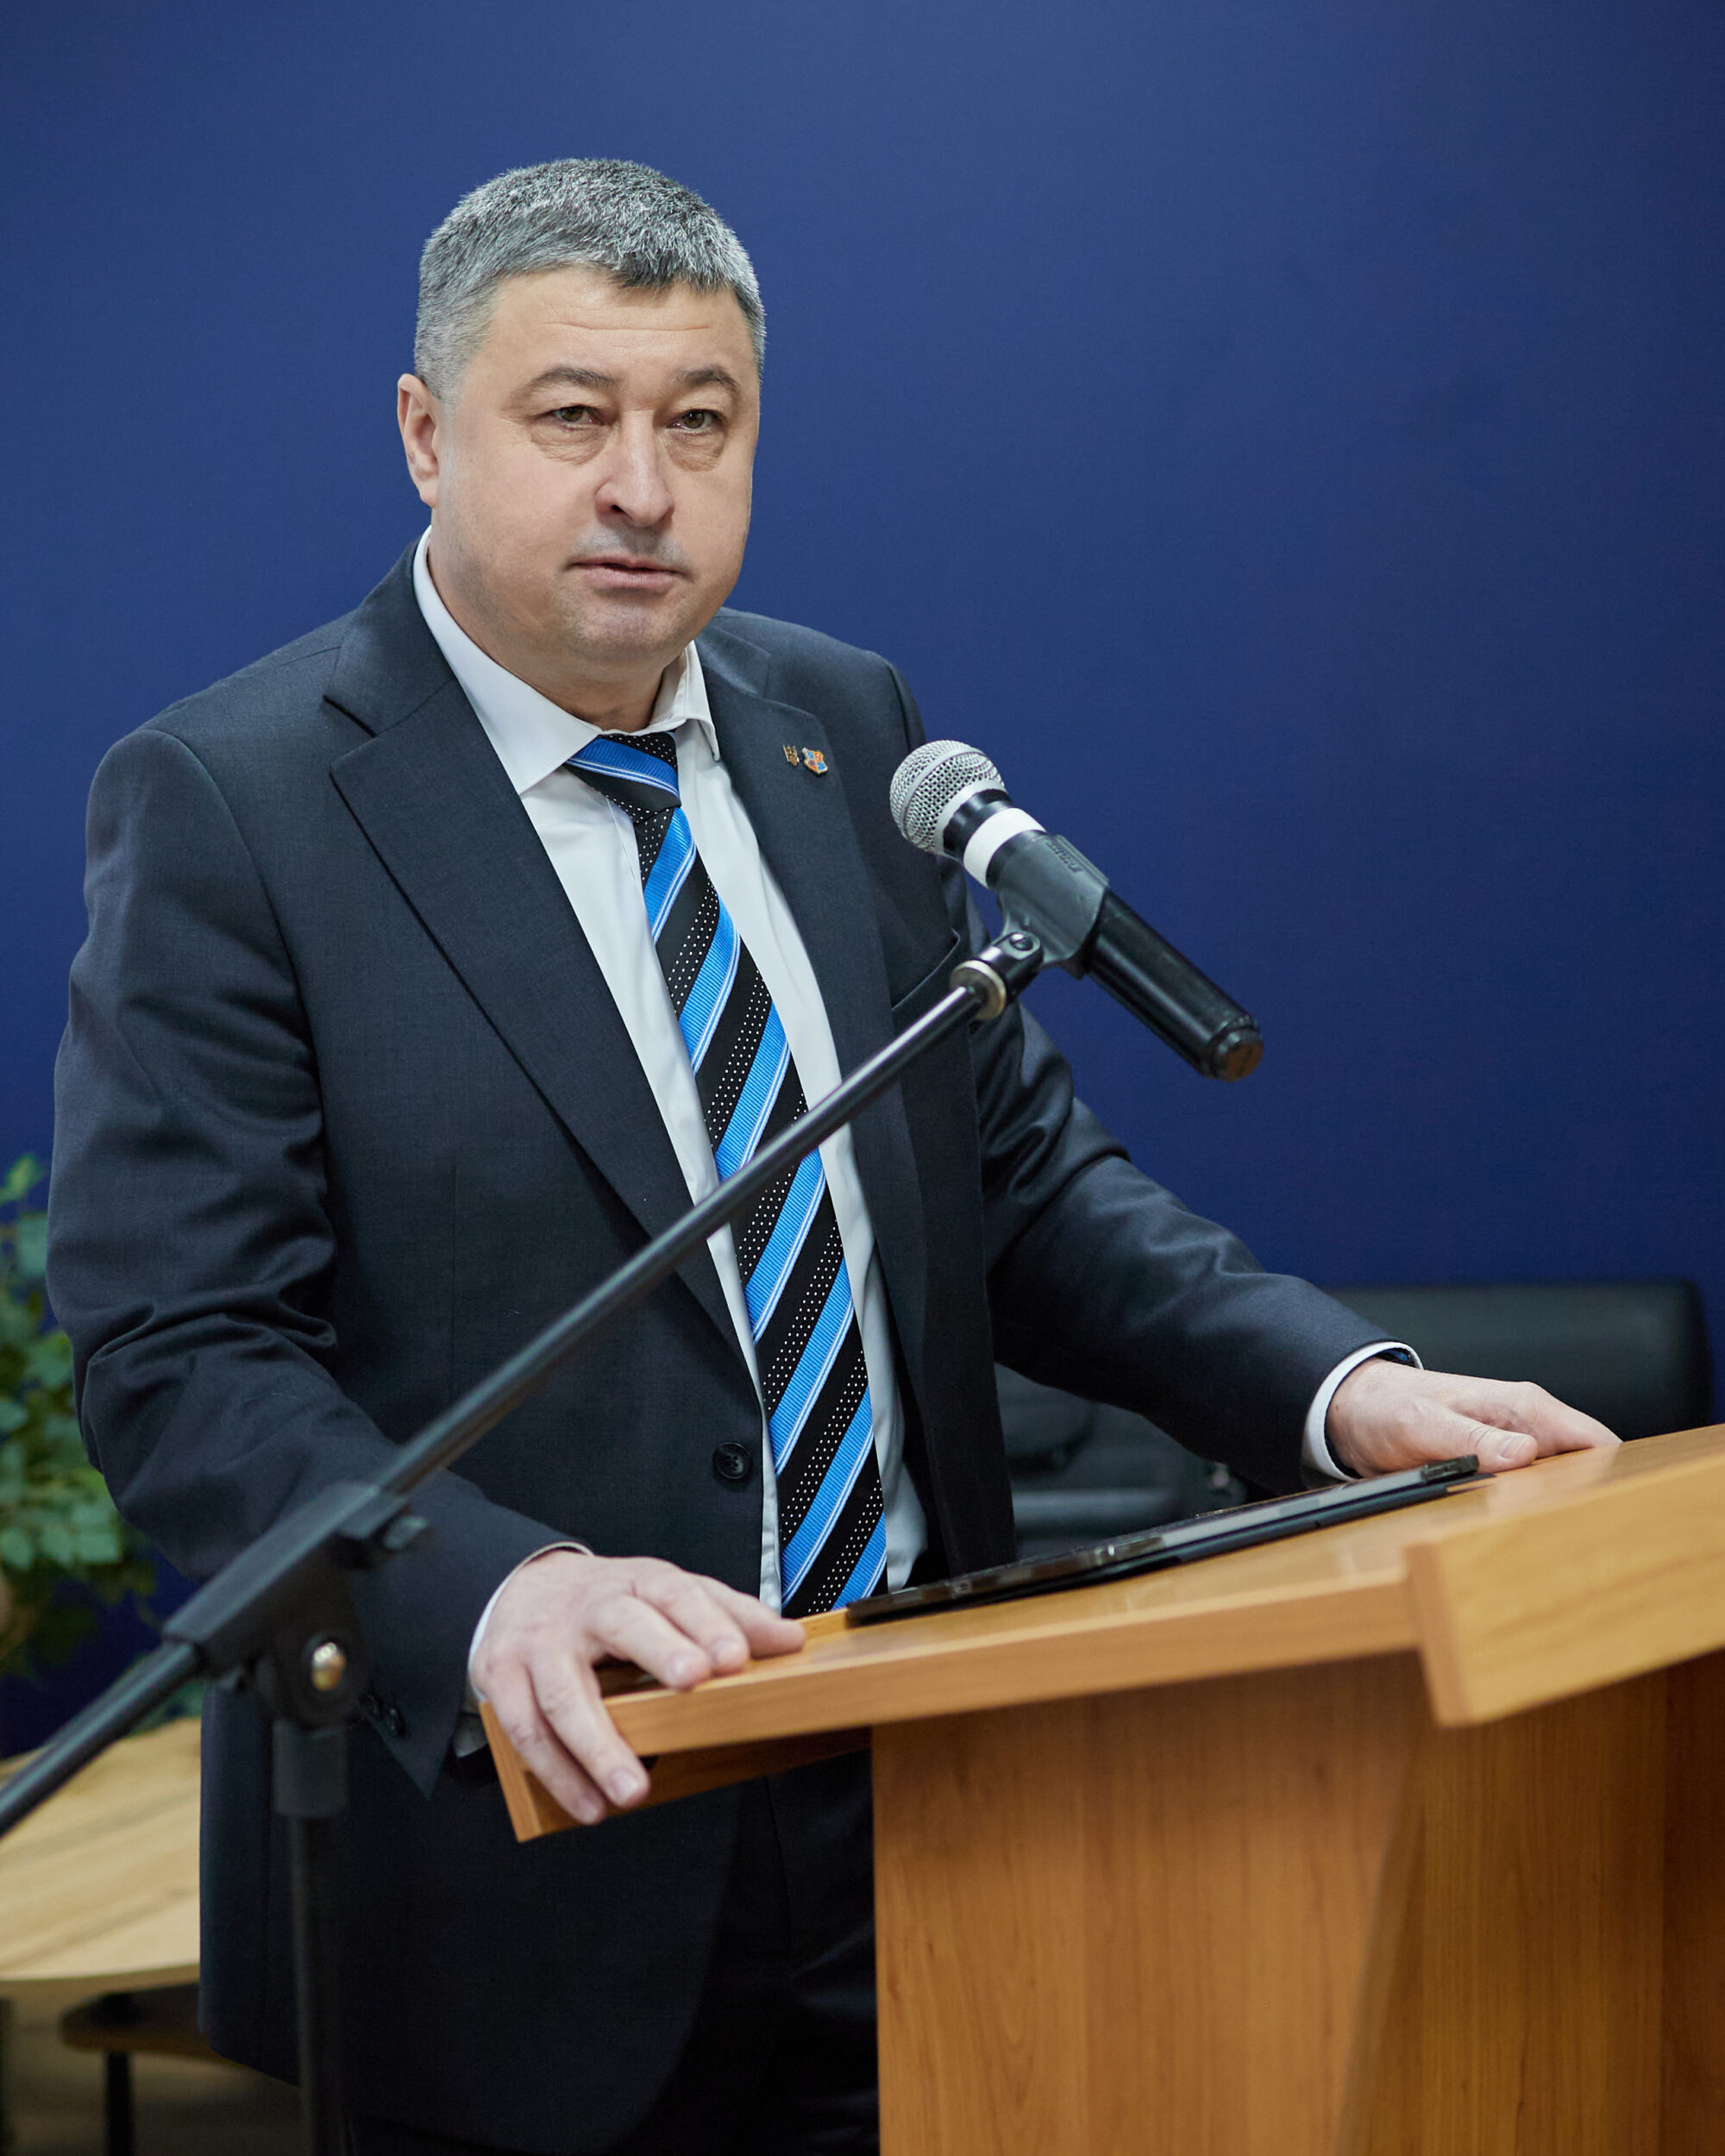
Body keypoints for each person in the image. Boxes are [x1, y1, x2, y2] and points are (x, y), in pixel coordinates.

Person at [46, 160, 1615, 2156]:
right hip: (521, 1853)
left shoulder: (843, 728)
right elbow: (182, 1350)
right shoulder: (235, 801)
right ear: (427, 435)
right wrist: (495, 1590)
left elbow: (1021, 1188)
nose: (642, 486)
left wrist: (1337, 1389)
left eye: (699, 422)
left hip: (924, 1805)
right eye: (573, 416)